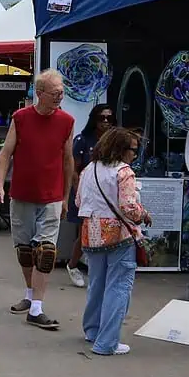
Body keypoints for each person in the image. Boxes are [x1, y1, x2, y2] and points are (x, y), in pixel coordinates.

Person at [0, 70, 75, 330]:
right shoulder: (21, 118)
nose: (59, 97)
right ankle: (30, 295)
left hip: (50, 197)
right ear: (39, 94)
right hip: (23, 194)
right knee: (26, 252)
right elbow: (5, 154)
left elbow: (68, 161)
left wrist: (65, 197)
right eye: (55, 93)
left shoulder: (67, 121)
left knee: (46, 252)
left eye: (62, 92)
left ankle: (37, 308)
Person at [76, 127, 150, 355]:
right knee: (118, 287)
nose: (135, 155)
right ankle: (107, 342)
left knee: (97, 284)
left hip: (92, 231)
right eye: (133, 150)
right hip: (119, 235)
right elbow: (128, 207)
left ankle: (92, 331)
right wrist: (143, 214)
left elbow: (79, 201)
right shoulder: (124, 172)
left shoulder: (89, 169)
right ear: (121, 149)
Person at [64, 104, 115, 289]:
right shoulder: (83, 140)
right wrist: (80, 192)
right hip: (86, 192)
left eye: (109, 118)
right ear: (94, 119)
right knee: (85, 231)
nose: (106, 122)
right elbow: (74, 170)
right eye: (102, 118)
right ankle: (72, 265)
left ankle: (97, 267)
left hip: (108, 194)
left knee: (106, 232)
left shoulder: (114, 141)